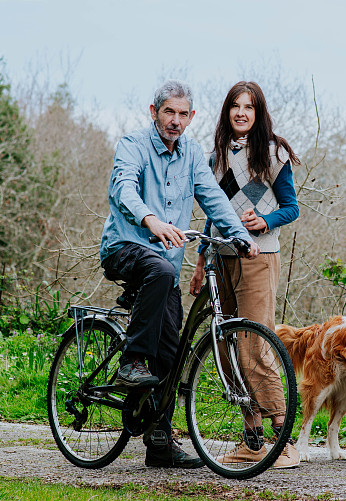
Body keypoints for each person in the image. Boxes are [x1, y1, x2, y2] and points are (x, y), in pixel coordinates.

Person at [100, 80, 260, 469]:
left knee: (172, 349)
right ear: (153, 112)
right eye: (168, 112)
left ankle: (158, 440)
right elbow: (123, 189)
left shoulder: (191, 154)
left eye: (182, 114)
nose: (175, 120)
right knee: (157, 269)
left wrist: (240, 235)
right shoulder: (133, 145)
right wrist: (150, 219)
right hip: (125, 247)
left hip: (166, 267)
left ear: (192, 117)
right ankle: (131, 362)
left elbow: (213, 198)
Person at [189, 81, 301, 469]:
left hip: (259, 258)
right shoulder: (215, 157)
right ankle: (252, 442)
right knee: (225, 347)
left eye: (249, 107)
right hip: (221, 260)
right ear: (227, 112)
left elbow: (292, 208)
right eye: (235, 106)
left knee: (255, 346)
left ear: (258, 113)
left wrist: (265, 220)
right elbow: (212, 212)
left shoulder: (273, 153)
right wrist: (201, 261)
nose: (241, 113)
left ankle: (284, 442)